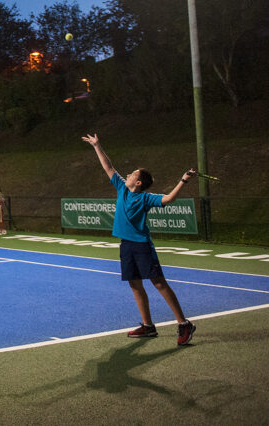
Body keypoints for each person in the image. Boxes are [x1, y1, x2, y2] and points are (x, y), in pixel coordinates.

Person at [82, 133, 197, 345]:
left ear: (139, 182)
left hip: (142, 246)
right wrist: (97, 145)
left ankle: (184, 324)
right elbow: (108, 167)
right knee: (134, 284)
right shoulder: (121, 190)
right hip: (126, 245)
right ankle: (148, 326)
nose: (128, 174)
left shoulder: (146, 198)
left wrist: (183, 180)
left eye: (133, 174)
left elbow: (169, 198)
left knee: (159, 283)